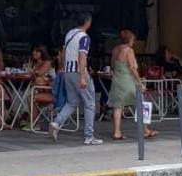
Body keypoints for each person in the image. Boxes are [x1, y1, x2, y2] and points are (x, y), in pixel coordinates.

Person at [50, 13, 100, 145]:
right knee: (90, 103)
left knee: (72, 102)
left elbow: (64, 51)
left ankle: (56, 122)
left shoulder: (69, 34)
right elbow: (82, 56)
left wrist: (63, 67)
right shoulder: (84, 37)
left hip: (68, 72)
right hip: (79, 72)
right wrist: (83, 77)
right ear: (88, 22)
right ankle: (89, 136)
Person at [108, 29, 158, 141]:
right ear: (130, 39)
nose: (133, 42)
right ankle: (145, 130)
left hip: (117, 81)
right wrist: (140, 83)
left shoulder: (115, 49)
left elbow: (112, 66)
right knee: (142, 102)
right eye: (133, 39)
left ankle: (117, 132)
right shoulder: (128, 50)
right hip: (128, 80)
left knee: (118, 106)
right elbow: (132, 68)